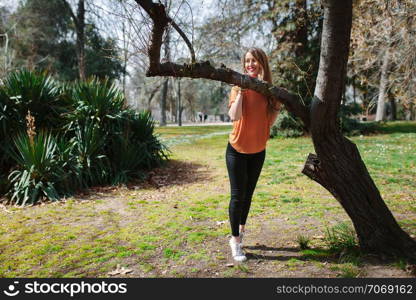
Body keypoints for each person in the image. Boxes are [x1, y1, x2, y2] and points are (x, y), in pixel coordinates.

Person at [226, 47, 281, 262]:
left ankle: (241, 231)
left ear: (262, 64)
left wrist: (276, 105)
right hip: (237, 150)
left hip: (258, 151)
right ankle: (235, 241)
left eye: (254, 61)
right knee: (237, 196)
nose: (250, 64)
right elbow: (234, 115)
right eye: (247, 61)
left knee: (248, 195)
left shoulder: (269, 91)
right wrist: (240, 91)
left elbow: (269, 123)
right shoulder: (238, 87)